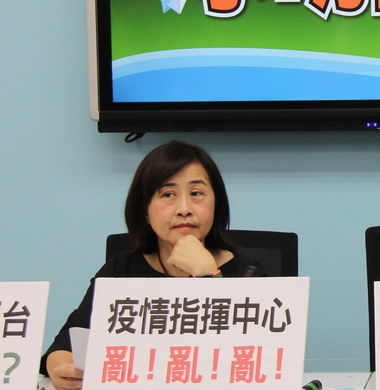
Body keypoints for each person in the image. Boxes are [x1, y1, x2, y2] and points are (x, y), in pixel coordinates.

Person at [40, 140, 266, 390]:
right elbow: (65, 345)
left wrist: (207, 275)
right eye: (168, 194)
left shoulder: (249, 273)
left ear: (216, 204)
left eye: (196, 193)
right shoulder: (121, 270)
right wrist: (63, 370)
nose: (184, 209)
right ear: (145, 212)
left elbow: (258, 360)